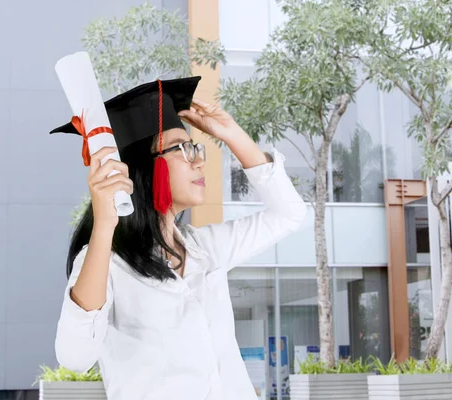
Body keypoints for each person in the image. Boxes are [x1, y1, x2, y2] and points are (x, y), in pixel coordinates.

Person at [49, 76, 308, 400]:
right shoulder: (109, 262)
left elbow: (289, 214)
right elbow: (75, 356)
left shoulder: (203, 248)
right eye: (183, 149)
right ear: (145, 166)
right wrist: (104, 224)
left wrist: (231, 133)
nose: (199, 160)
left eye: (195, 147)